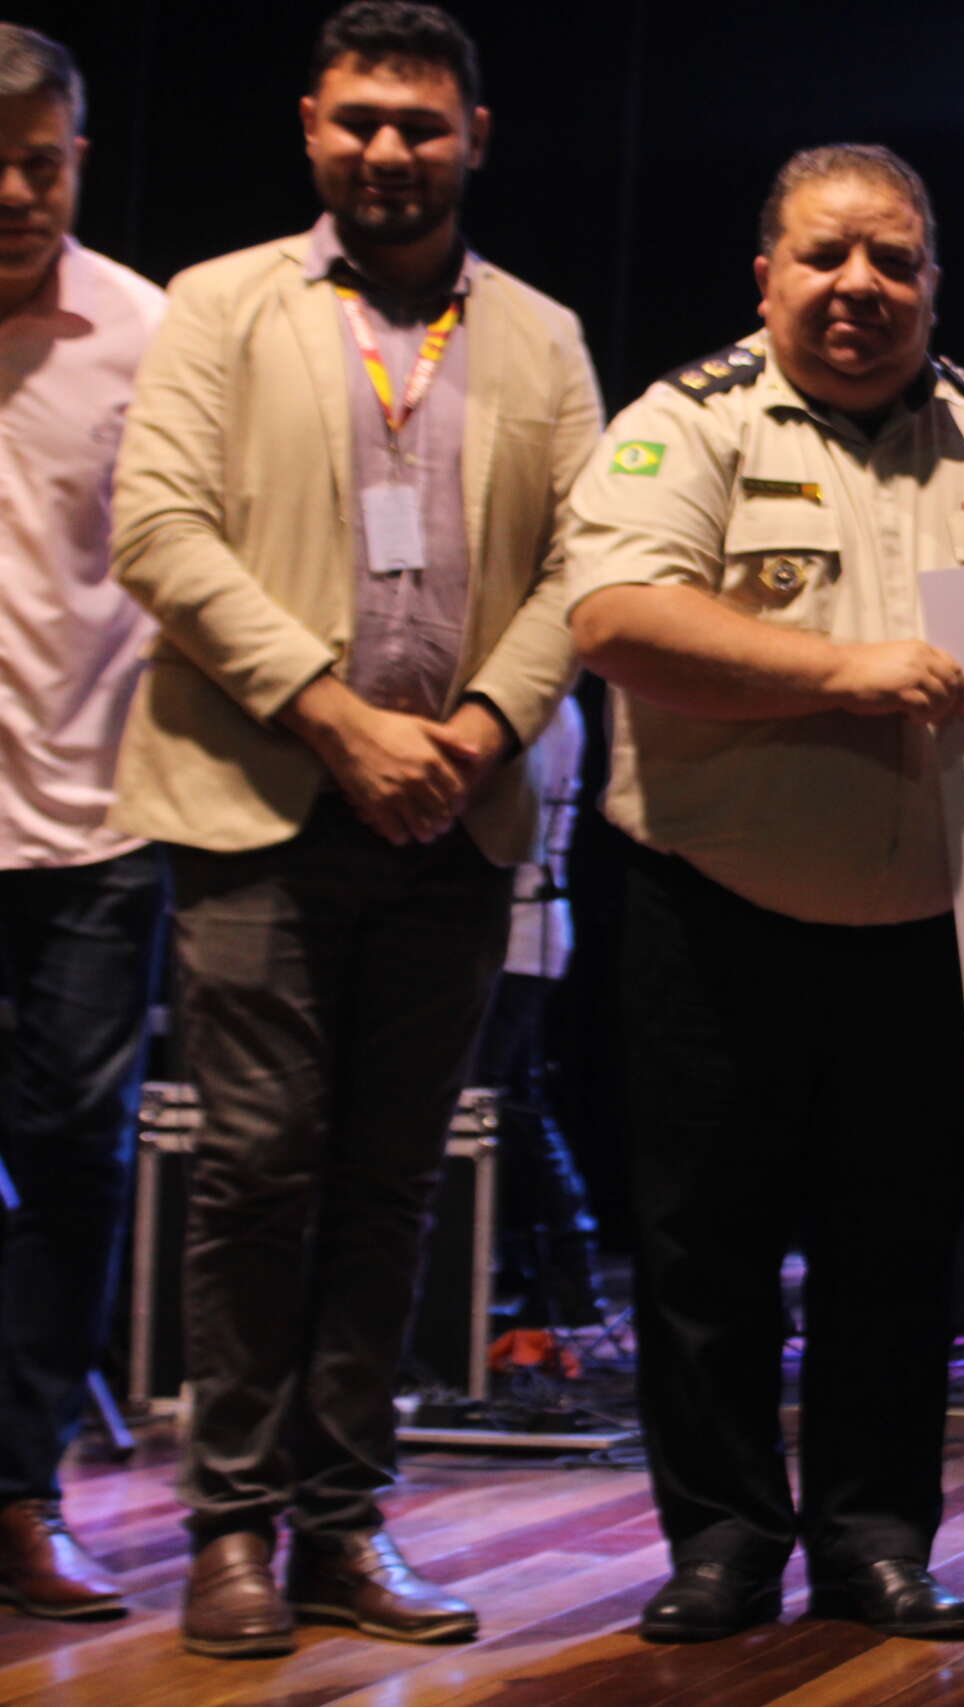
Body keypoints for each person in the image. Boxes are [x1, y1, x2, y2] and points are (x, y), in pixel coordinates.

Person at [109, 0, 599, 1658]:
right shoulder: (219, 303)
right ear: (311, 127)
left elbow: (588, 568)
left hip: (451, 816)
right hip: (260, 804)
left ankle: (340, 1522)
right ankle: (229, 1529)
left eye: (421, 123)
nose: (390, 150)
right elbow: (160, 531)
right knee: (257, 1171)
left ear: (477, 137)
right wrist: (335, 715)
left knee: (391, 1187)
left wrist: (472, 732)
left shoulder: (542, 335)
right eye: (360, 120)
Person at [563, 141, 964, 1646]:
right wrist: (844, 672)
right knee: (704, 1251)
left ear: (933, 280)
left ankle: (873, 1539)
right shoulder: (686, 420)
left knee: (896, 1254)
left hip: (929, 926)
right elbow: (616, 617)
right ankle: (722, 1539)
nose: (860, 286)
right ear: (766, 273)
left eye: (892, 259)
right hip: (713, 907)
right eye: (826, 255)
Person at [0, 23, 163, 1627]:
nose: (10, 191)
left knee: (68, 1164)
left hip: (95, 827)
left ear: (78, 161)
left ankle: (21, 1489)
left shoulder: (145, 331)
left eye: (38, 162)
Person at [472, 696, 603, 1329]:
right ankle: (550, 1273)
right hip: (520, 931)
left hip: (520, 933)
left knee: (500, 1104)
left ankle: (567, 1271)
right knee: (510, 1103)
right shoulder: (557, 709)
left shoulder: (545, 709)